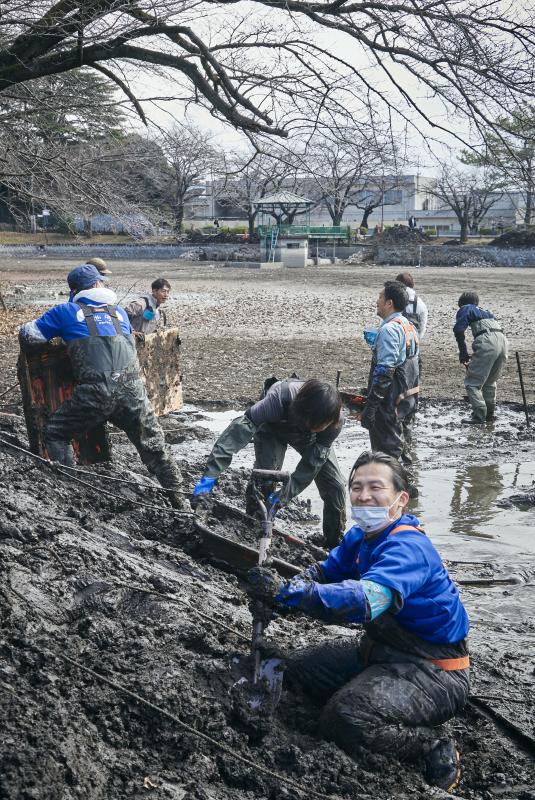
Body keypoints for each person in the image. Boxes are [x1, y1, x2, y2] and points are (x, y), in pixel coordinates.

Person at [247, 451, 470, 792]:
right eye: (356, 487)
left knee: (345, 719)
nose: (364, 496)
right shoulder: (360, 537)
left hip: (434, 670)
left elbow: (365, 600)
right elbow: (325, 572)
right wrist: (283, 595)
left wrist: (291, 595)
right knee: (296, 669)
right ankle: (370, 698)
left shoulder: (408, 547)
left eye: (375, 487)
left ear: (401, 498)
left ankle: (431, 743)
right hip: (380, 649)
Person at [19, 265, 186, 508]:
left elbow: (29, 335)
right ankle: (181, 502)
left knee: (56, 432)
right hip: (133, 393)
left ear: (75, 291)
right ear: (97, 285)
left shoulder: (66, 311)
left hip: (95, 394)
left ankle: (69, 492)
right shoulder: (119, 313)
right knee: (155, 447)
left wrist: (60, 337)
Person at [192, 378, 346, 548]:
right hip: (273, 427)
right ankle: (252, 526)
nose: (314, 426)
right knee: (266, 478)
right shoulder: (278, 399)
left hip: (311, 439)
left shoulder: (334, 422)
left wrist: (283, 496)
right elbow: (236, 435)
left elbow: (310, 468)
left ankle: (334, 544)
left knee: (335, 487)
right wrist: (210, 475)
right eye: (312, 423)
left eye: (320, 425)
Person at [361, 281, 419, 466]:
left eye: (380, 297)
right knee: (404, 448)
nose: (376, 301)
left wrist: (370, 408)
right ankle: (408, 487)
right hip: (407, 397)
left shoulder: (389, 330)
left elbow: (385, 371)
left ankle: (394, 488)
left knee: (387, 453)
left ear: (389, 303)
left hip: (390, 401)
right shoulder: (408, 325)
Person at [453, 291, 508, 424]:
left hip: (487, 341)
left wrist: (463, 353)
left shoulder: (465, 308)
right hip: (503, 341)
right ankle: (489, 415)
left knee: (472, 383)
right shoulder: (487, 312)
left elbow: (458, 329)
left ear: (461, 303)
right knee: (490, 382)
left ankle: (479, 416)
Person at [395, 272, 428, 340]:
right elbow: (422, 327)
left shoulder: (392, 300)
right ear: (412, 284)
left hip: (395, 338)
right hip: (412, 340)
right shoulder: (420, 303)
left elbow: (385, 322)